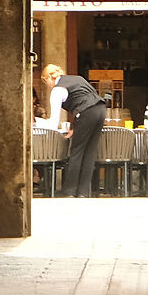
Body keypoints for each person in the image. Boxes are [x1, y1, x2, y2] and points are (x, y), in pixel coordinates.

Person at [41, 64, 108, 197]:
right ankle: (84, 191)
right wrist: (75, 127)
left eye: (45, 81)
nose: (47, 85)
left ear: (48, 77)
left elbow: (54, 122)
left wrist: (40, 124)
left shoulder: (57, 90)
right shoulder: (78, 78)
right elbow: (83, 100)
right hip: (100, 110)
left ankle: (70, 191)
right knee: (90, 151)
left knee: (77, 151)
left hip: (86, 113)